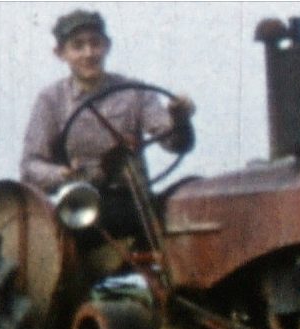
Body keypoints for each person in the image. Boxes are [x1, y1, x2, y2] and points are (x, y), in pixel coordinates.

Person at [20, 9, 195, 193]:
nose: (88, 53)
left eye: (95, 43)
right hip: (80, 204)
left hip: (134, 196)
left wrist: (180, 119)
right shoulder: (51, 100)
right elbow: (31, 165)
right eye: (78, 46)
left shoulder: (134, 92)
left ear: (107, 46)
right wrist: (63, 174)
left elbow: (176, 144)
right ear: (61, 53)